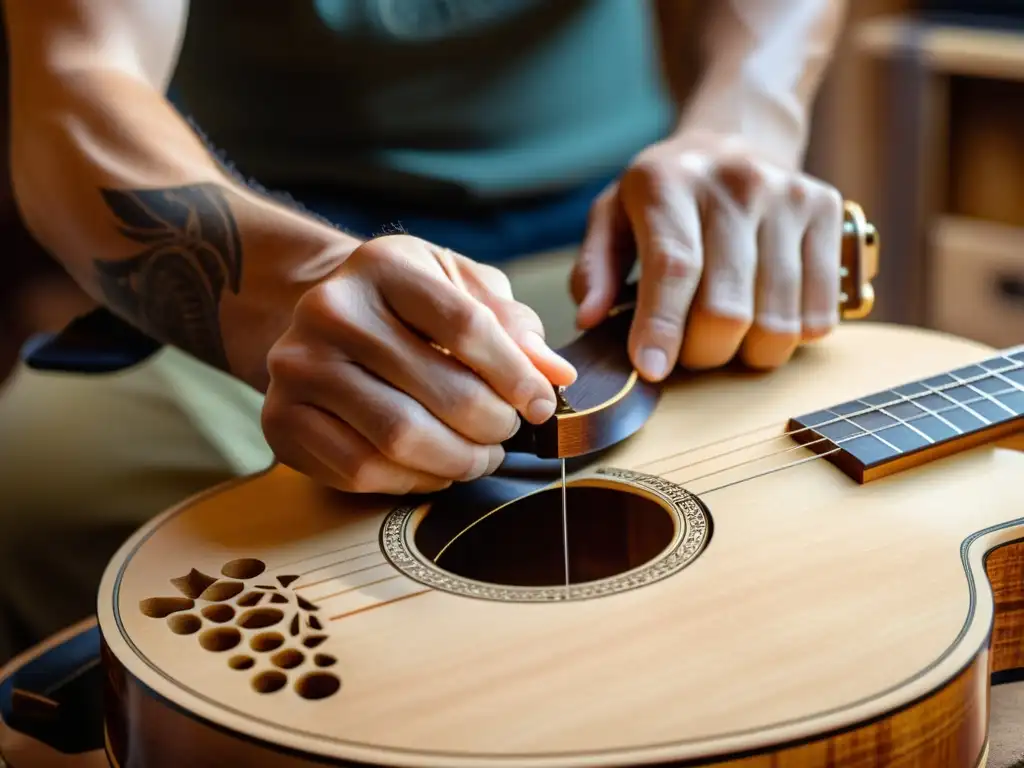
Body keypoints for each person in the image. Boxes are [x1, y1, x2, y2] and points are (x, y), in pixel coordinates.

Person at [0, 0, 847, 660]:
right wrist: (293, 284)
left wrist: (742, 130)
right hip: (258, 238)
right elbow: (77, 71)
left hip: (614, 236)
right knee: (42, 483)